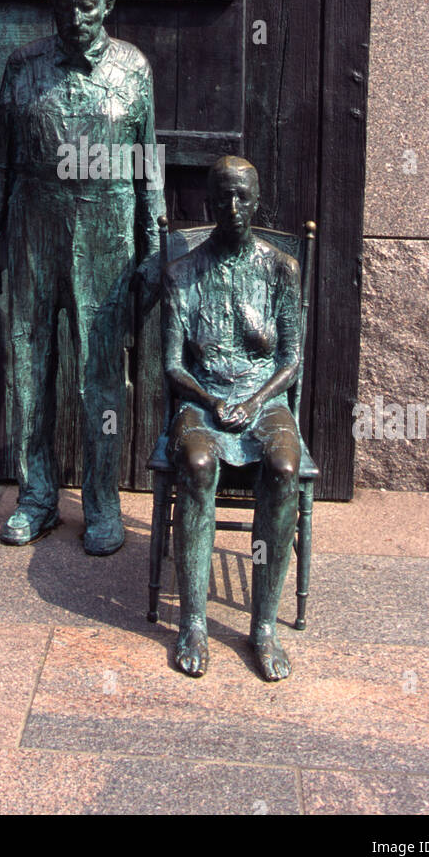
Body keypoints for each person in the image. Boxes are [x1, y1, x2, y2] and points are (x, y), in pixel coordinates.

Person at [0, 0, 165, 555]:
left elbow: (146, 162)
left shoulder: (134, 67)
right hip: (35, 224)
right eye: (66, 5)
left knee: (101, 375)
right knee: (29, 366)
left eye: (88, 5)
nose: (77, 16)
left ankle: (103, 502)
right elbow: (0, 160)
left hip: (108, 229)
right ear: (51, 8)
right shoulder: (22, 66)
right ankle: (36, 497)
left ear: (108, 6)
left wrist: (154, 242)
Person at [162, 155, 302, 679]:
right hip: (202, 399)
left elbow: (290, 360)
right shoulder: (183, 274)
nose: (233, 207)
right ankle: (193, 621)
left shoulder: (280, 270)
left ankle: (262, 627)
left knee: (285, 470)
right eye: (223, 197)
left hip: (265, 400)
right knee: (197, 463)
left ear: (257, 199)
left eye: (242, 196)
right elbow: (172, 365)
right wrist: (213, 399)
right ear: (209, 202)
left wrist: (254, 400)